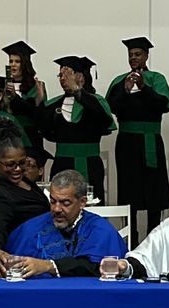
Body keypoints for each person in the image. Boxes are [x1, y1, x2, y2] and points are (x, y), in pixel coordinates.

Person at [106, 37, 169, 239]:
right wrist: (126, 90)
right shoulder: (120, 81)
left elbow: (163, 104)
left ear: (146, 56)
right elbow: (110, 107)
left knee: (154, 192)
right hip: (127, 142)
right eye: (130, 55)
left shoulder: (156, 78)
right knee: (130, 192)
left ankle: (154, 236)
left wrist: (144, 87)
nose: (133, 58)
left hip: (151, 141)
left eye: (137, 54)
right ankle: (132, 237)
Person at [4, 169, 127, 278]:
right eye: (53, 201)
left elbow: (92, 266)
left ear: (82, 202)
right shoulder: (31, 228)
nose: (56, 209)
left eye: (65, 203)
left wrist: (48, 266)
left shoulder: (99, 228)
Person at [36, 56, 116, 201]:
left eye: (67, 74)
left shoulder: (95, 101)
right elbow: (45, 130)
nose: (62, 78)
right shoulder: (54, 104)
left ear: (80, 77)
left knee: (91, 204)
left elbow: (104, 122)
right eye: (60, 75)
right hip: (61, 163)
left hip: (89, 163)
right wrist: (40, 103)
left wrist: (78, 93)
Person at [0, 120, 51, 275]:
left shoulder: (24, 181)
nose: (18, 169)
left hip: (44, 252)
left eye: (22, 163)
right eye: (10, 165)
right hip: (23, 261)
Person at [2, 41, 47, 147]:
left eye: (17, 61)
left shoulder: (36, 86)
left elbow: (38, 113)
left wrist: (15, 98)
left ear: (25, 64)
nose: (13, 65)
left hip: (30, 136)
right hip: (8, 136)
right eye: (11, 61)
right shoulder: (4, 85)